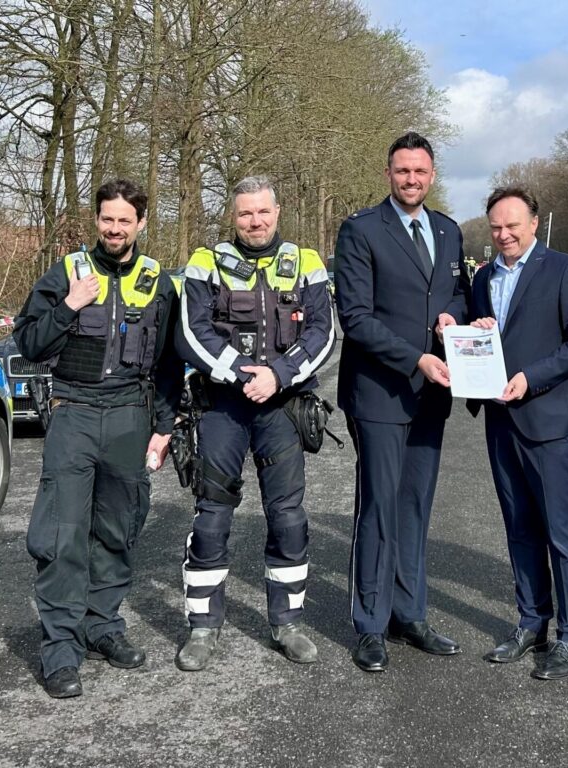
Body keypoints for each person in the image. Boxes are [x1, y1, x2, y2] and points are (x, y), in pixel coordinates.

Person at [15, 178, 181, 699]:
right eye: (107, 219)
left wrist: (165, 426)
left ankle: (102, 625)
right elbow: (28, 342)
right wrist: (68, 305)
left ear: (141, 223)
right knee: (62, 533)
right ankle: (61, 650)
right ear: (96, 219)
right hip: (74, 412)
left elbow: (171, 363)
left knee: (117, 528)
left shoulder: (158, 281)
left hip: (131, 415)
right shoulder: (67, 272)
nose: (114, 228)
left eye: (124, 220)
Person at [174, 176, 335, 670]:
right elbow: (190, 332)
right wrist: (246, 374)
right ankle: (203, 628)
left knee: (288, 517)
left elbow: (323, 332)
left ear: (277, 212)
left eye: (263, 211)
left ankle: (287, 624)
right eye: (245, 213)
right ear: (234, 216)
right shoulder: (205, 262)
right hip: (223, 406)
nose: (255, 221)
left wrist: (278, 375)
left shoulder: (306, 262)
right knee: (211, 516)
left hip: (280, 407)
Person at [335, 132, 467, 672]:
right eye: (402, 170)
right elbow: (356, 317)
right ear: (388, 173)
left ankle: (409, 615)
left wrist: (455, 317)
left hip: (432, 394)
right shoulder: (362, 229)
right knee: (379, 505)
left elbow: (457, 293)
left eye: (420, 171)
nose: (411, 179)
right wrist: (416, 358)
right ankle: (370, 623)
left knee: (415, 505)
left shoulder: (448, 230)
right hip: (380, 393)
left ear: (432, 175)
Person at [468, 187, 568, 680]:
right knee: (519, 528)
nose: (504, 235)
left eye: (512, 226)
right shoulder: (483, 278)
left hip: (550, 422)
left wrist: (532, 377)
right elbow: (476, 338)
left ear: (534, 223)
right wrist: (472, 330)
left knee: (561, 533)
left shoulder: (564, 269)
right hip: (501, 421)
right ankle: (531, 622)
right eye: (496, 227)